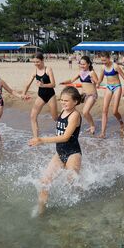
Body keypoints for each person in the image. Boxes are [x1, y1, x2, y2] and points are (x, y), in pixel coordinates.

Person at [28, 86, 83, 215]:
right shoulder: (63, 112)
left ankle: (78, 209)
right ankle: (41, 210)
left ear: (75, 102)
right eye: (61, 100)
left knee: (71, 185)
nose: (63, 103)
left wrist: (41, 140)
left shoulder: (74, 115)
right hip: (59, 153)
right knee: (45, 182)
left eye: (66, 100)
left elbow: (65, 137)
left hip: (73, 153)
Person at [22, 52, 58, 138]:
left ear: (42, 60)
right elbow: (27, 84)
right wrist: (23, 94)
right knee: (33, 116)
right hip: (41, 96)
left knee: (55, 118)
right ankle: (36, 137)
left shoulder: (48, 69)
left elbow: (53, 84)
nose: (36, 64)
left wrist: (43, 85)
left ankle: (67, 125)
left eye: (37, 62)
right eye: (34, 62)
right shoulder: (34, 71)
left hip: (50, 95)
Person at [61, 55, 99, 134]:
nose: (82, 66)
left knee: (85, 112)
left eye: (84, 64)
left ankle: (92, 126)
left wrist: (94, 82)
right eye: (81, 64)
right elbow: (71, 80)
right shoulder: (80, 72)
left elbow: (98, 82)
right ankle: (72, 122)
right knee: (69, 105)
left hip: (92, 95)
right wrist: (64, 82)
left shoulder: (92, 73)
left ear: (88, 64)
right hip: (83, 94)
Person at [97, 51, 124, 138]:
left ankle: (121, 122)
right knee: (104, 110)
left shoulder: (115, 66)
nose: (104, 62)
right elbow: (100, 79)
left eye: (105, 60)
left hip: (117, 87)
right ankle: (103, 133)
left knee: (114, 111)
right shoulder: (103, 67)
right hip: (108, 87)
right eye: (102, 61)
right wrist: (98, 83)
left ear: (109, 58)